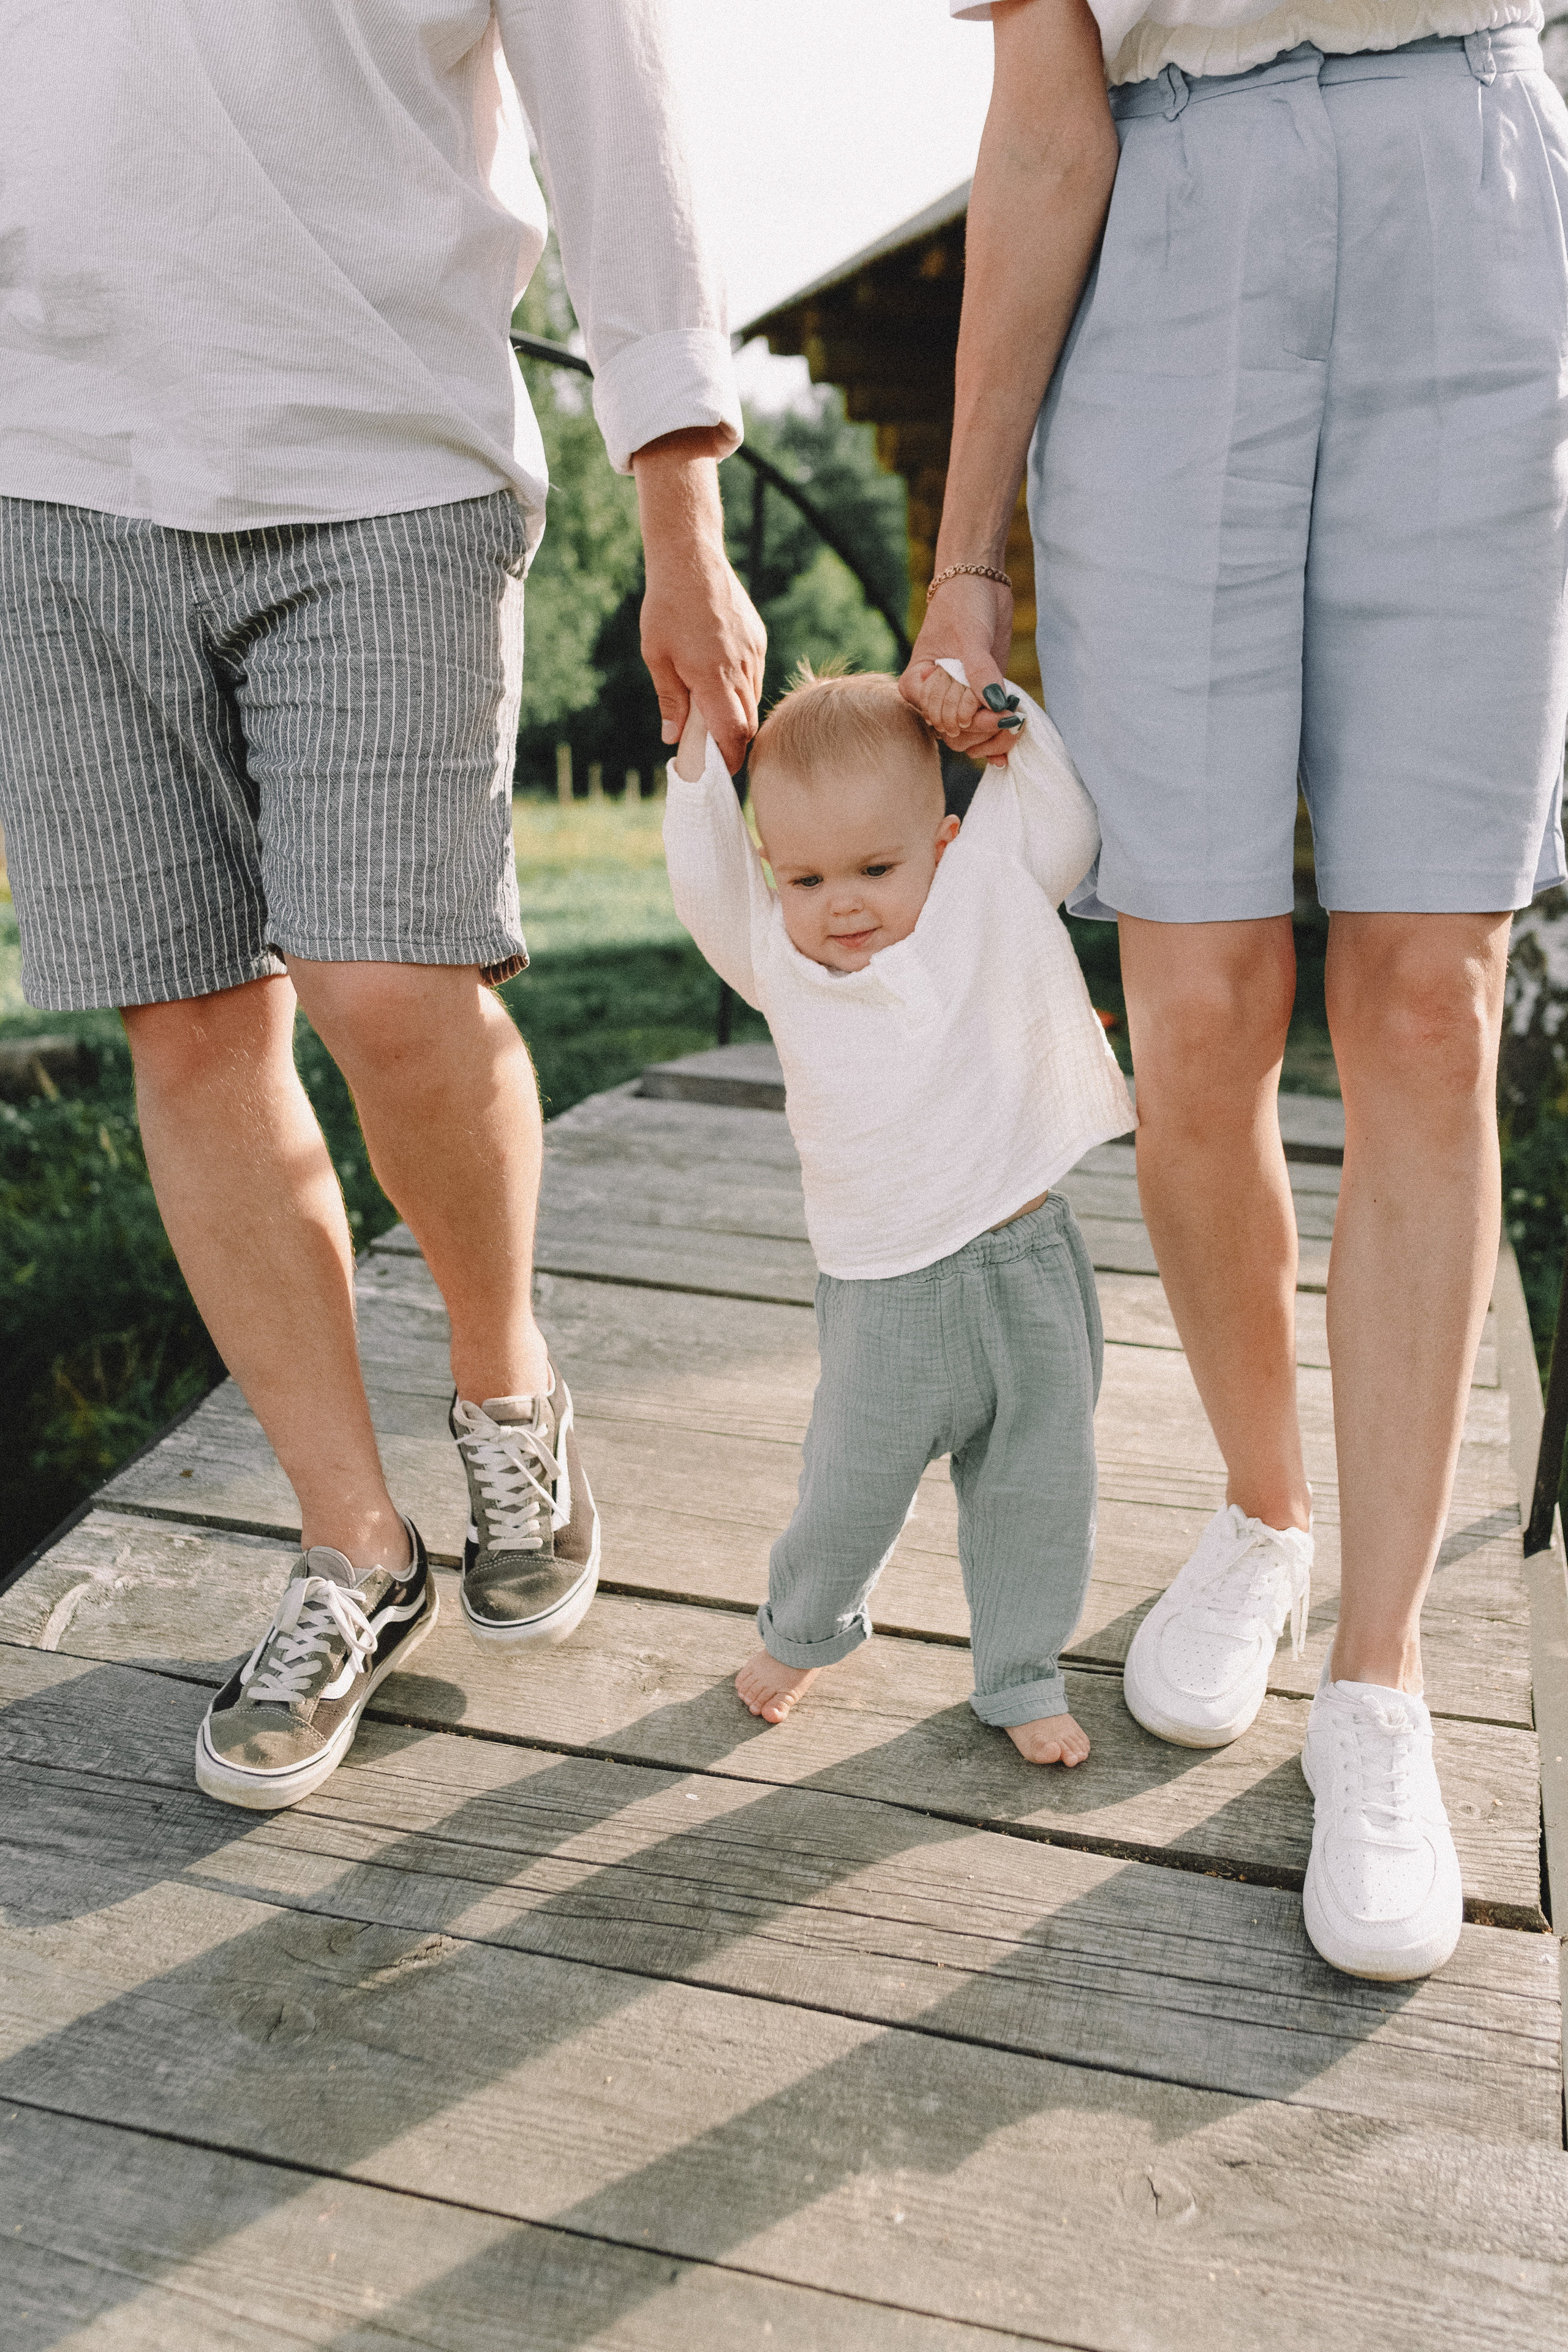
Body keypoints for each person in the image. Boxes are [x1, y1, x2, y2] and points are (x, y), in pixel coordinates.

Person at [0, 3, 764, 1812]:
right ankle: (355, 1550)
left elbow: (617, 120)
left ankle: (506, 1388)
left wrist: (684, 515)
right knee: (187, 1019)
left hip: (387, 457)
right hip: (53, 470)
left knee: (383, 979)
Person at [904, 0, 1568, 1978]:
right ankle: (1267, 1510)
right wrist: (965, 554)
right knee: (1194, 1002)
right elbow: (1038, 114)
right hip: (1168, 199)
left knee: (1427, 999)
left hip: (1477, 176)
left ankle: (1378, 1682)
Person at [663, 665, 1134, 1763]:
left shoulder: (985, 892)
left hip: (1029, 1268)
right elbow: (707, 888)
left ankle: (1022, 1673)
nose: (844, 903)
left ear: (942, 836)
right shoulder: (783, 960)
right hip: (886, 1298)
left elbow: (1059, 824)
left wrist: (1006, 724)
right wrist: (700, 769)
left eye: (877, 866)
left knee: (1040, 1490)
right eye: (807, 875)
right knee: (849, 1490)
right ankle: (802, 1632)